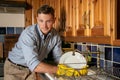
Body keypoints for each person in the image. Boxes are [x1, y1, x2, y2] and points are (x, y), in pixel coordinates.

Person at [4, 4, 63, 80]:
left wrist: (68, 67)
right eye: (41, 21)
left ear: (54, 20)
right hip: (14, 69)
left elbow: (58, 58)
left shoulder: (55, 36)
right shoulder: (29, 34)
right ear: (37, 19)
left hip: (31, 71)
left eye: (48, 21)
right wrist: (61, 70)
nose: (44, 26)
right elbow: (34, 64)